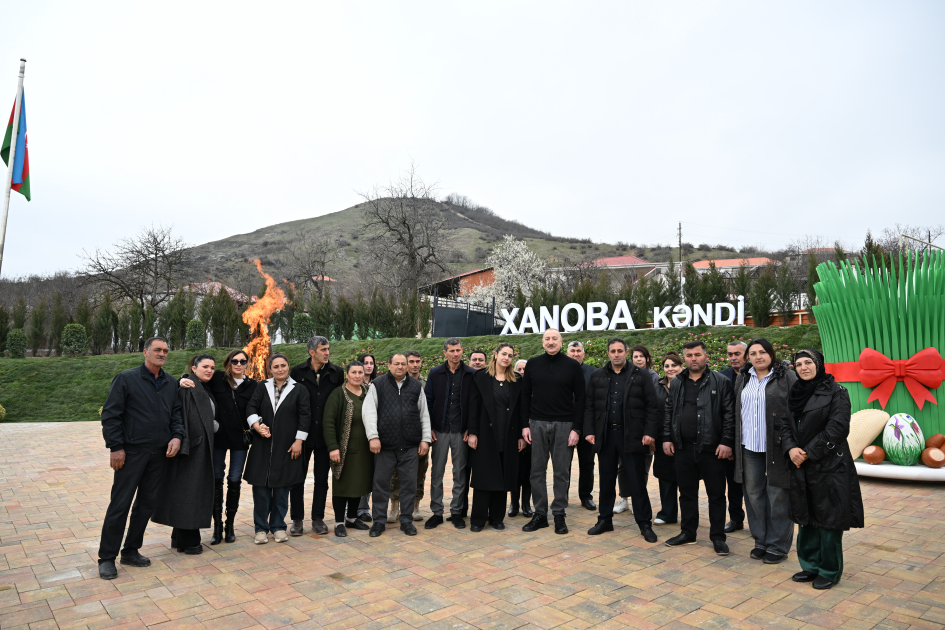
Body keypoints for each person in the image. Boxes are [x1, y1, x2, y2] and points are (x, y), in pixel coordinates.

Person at [98, 337, 183, 580]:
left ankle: (131, 550)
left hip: (159, 454)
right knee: (120, 504)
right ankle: (107, 558)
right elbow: (111, 415)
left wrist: (177, 436)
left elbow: (176, 414)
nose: (162, 354)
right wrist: (116, 447)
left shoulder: (170, 382)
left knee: (146, 504)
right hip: (131, 453)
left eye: (165, 350)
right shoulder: (127, 379)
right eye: (157, 350)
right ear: (145, 352)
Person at [782, 349, 863, 590]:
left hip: (829, 465)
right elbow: (784, 424)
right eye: (798, 364)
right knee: (805, 516)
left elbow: (838, 427)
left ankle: (829, 570)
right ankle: (810, 566)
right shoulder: (795, 392)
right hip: (800, 464)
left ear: (819, 364)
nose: (803, 367)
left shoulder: (837, 392)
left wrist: (807, 452)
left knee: (829, 518)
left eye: (808, 362)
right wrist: (790, 449)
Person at [662, 340, 735, 555]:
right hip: (683, 448)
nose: (693, 359)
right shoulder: (677, 382)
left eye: (697, 354)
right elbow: (669, 411)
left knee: (716, 495)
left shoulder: (720, 382)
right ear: (684, 358)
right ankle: (688, 533)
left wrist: (726, 441)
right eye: (689, 355)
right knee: (686, 493)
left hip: (712, 449)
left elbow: (729, 414)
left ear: (705, 356)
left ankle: (718, 537)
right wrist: (667, 437)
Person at [584, 339, 659, 542]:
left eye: (620, 351)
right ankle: (604, 520)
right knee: (606, 481)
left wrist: (649, 432)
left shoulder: (641, 374)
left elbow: (652, 406)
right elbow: (590, 405)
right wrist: (589, 431)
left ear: (626, 352)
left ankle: (644, 524)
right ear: (608, 353)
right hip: (606, 436)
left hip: (632, 436)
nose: (616, 354)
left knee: (636, 482)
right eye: (613, 351)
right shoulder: (598, 375)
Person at [179, 348, 256, 544]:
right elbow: (196, 380)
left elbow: (256, 408)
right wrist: (181, 379)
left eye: (242, 361)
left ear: (247, 364)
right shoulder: (218, 378)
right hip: (218, 438)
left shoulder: (253, 385)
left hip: (240, 440)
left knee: (235, 480)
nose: (238, 364)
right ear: (228, 363)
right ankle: (217, 527)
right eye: (234, 361)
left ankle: (230, 526)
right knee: (216, 479)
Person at [734, 338, 797, 564]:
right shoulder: (744, 377)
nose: (758, 357)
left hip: (777, 446)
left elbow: (796, 410)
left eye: (762, 352)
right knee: (753, 494)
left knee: (778, 494)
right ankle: (761, 540)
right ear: (748, 357)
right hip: (749, 446)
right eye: (753, 353)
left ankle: (778, 545)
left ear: (771, 354)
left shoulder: (787, 377)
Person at [521, 328, 585, 535]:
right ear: (542, 342)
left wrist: (576, 428)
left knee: (561, 472)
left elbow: (581, 398)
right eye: (547, 338)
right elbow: (525, 395)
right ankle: (540, 514)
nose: (551, 342)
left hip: (564, 425)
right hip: (537, 423)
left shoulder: (572, 365)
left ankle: (559, 513)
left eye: (554, 338)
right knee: (536, 472)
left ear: (561, 341)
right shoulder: (533, 364)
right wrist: (524, 425)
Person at [153, 354, 217, 554]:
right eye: (205, 366)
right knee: (190, 493)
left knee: (188, 492)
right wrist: (186, 445)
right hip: (191, 449)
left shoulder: (201, 386)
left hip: (198, 448)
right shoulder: (188, 387)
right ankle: (190, 541)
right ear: (194, 368)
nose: (209, 370)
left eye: (212, 367)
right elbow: (180, 418)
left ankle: (180, 539)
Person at [243, 353, 310, 544]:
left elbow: (305, 416)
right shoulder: (262, 387)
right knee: (261, 491)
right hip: (262, 446)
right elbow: (251, 408)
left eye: (283, 365)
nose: (280, 369)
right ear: (270, 369)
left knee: (282, 490)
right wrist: (257, 426)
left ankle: (278, 526)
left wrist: (299, 441)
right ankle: (260, 528)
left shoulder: (299, 389)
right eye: (276, 366)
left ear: (288, 366)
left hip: (287, 446)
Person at [363, 353, 432, 537]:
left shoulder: (416, 386)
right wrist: (373, 437)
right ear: (389, 365)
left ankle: (406, 520)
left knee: (409, 485)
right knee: (380, 485)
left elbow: (424, 414)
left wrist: (425, 439)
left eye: (403, 364)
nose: (400, 367)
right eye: (396, 363)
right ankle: (379, 521)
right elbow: (369, 412)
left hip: (409, 446)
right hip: (384, 446)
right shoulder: (378, 385)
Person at [289, 336, 344, 536]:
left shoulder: (337, 372)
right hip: (302, 436)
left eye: (328, 349)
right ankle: (297, 520)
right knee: (297, 479)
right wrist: (295, 437)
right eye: (323, 349)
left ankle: (318, 519)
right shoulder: (297, 372)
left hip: (325, 436)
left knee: (322, 479)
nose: (327, 353)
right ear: (312, 352)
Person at [467, 343, 525, 531]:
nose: (506, 358)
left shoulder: (516, 379)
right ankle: (478, 520)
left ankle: (497, 518)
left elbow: (521, 410)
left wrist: (521, 435)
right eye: (504, 354)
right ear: (495, 355)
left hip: (508, 435)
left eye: (510, 355)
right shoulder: (481, 377)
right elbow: (473, 406)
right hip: (485, 434)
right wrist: (473, 432)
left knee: (503, 475)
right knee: (484, 476)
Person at [424, 338, 476, 529]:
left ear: (462, 351)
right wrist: (428, 427)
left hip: (461, 431)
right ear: (444, 352)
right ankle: (437, 512)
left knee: (459, 473)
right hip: (439, 430)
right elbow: (428, 401)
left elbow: (475, 403)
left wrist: (471, 427)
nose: (456, 354)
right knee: (437, 472)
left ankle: (456, 512)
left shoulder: (471, 374)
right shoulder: (435, 373)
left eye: (458, 350)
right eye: (452, 350)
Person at [323, 361, 373, 537]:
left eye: (360, 372)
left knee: (359, 483)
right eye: (354, 372)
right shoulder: (338, 394)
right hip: (344, 449)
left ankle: (352, 518)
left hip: (365, 450)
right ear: (347, 374)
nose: (357, 376)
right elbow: (328, 422)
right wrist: (333, 447)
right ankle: (338, 521)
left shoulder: (368, 392)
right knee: (342, 484)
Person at [389, 350, 429, 523]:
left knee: (419, 471)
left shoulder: (427, 383)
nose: (414, 365)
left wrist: (426, 436)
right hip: (398, 436)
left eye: (417, 361)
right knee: (395, 472)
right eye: (411, 361)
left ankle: (415, 506)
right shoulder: (396, 383)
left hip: (419, 435)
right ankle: (394, 506)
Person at [719, 341, 748, 533]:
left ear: (747, 355)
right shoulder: (722, 377)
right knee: (733, 483)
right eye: (730, 354)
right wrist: (727, 441)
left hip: (753, 439)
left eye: (737, 353)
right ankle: (736, 519)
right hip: (730, 438)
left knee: (755, 485)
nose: (733, 358)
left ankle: (760, 522)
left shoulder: (755, 375)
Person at [566, 340, 597, 511]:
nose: (576, 354)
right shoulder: (561, 370)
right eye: (573, 351)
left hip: (587, 426)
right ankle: (562, 495)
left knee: (587, 463)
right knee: (564, 463)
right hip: (565, 425)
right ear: (567, 353)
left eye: (579, 351)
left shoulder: (593, 373)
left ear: (584, 354)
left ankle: (586, 496)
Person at [653, 353, 682, 525]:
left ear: (681, 367)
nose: (670, 369)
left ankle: (688, 514)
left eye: (674, 365)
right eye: (667, 366)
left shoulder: (688, 384)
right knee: (665, 476)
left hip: (684, 439)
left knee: (684, 477)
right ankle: (667, 513)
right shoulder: (657, 386)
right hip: (662, 438)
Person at [355, 351, 378, 523]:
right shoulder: (353, 386)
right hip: (356, 434)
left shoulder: (378, 384)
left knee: (370, 472)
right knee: (356, 471)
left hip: (373, 434)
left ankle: (363, 508)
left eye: (371, 363)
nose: (368, 366)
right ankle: (351, 507)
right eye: (365, 363)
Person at [510, 359, 532, 517]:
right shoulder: (512, 387)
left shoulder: (534, 387)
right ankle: (514, 504)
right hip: (515, 435)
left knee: (529, 472)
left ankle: (526, 504)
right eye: (519, 369)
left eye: (525, 369)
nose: (522, 372)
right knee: (515, 472)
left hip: (533, 436)